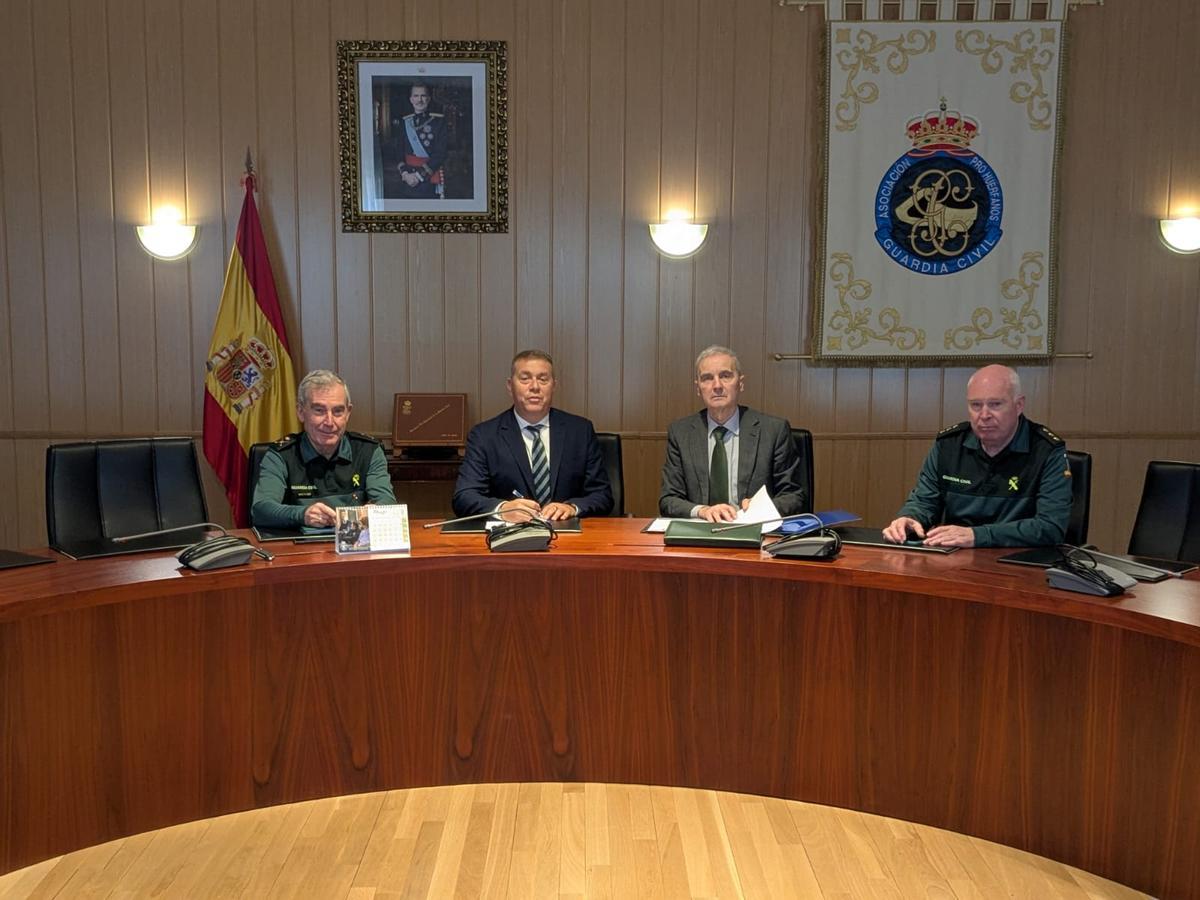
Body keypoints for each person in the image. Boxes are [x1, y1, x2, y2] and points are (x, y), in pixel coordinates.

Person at [882, 364, 1071, 548]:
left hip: (1018, 561)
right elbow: (925, 501)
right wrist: (909, 518)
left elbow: (1051, 527)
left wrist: (977, 535)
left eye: (995, 404)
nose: (984, 415)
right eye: (976, 405)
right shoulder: (949, 445)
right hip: (954, 558)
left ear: (1019, 405)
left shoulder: (1046, 450)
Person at [453, 350, 613, 521]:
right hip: (508, 536)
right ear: (510, 386)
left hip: (568, 534)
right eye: (525, 378)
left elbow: (602, 496)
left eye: (543, 379)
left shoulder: (580, 431)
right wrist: (502, 508)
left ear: (553, 386)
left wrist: (572, 507)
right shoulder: (484, 436)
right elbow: (464, 497)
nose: (535, 386)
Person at [659, 345, 807, 522]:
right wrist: (703, 511)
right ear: (698, 388)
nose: (717, 386)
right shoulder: (681, 433)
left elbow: (794, 496)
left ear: (740, 383)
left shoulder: (773, 430)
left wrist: (761, 507)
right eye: (707, 378)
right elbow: (668, 500)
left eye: (725, 376)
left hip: (754, 530)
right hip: (700, 533)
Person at [251, 370, 396, 529]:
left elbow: (387, 501)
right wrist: (303, 515)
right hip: (298, 549)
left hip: (355, 547)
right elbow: (261, 509)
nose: (329, 421)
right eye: (319, 410)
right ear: (301, 412)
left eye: (338, 411)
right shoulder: (280, 455)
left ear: (348, 413)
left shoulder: (369, 451)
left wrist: (376, 510)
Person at [396, 83, 447, 200]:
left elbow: (441, 154)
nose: (420, 100)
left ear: (428, 99)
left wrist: (418, 176)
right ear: (411, 99)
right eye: (416, 96)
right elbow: (399, 152)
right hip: (408, 180)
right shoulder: (405, 122)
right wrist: (405, 174)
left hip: (429, 180)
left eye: (423, 96)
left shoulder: (439, 122)